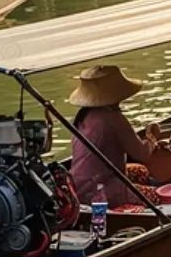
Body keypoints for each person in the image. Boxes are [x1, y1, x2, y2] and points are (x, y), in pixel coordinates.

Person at [67, 65, 162, 207]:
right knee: (156, 196)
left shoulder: (84, 116)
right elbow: (142, 154)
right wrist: (152, 137)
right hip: (98, 188)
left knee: (141, 171)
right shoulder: (113, 118)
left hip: (77, 186)